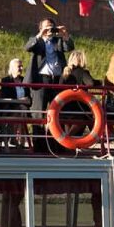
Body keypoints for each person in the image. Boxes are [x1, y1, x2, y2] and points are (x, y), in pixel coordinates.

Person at [25, 18, 74, 150]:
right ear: (40, 28)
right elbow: (28, 47)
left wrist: (65, 34)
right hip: (41, 79)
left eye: (51, 27)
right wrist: (40, 34)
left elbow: (69, 47)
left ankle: (57, 145)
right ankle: (39, 145)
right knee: (39, 112)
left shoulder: (58, 40)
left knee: (57, 112)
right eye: (47, 27)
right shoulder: (37, 41)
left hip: (57, 79)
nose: (49, 30)